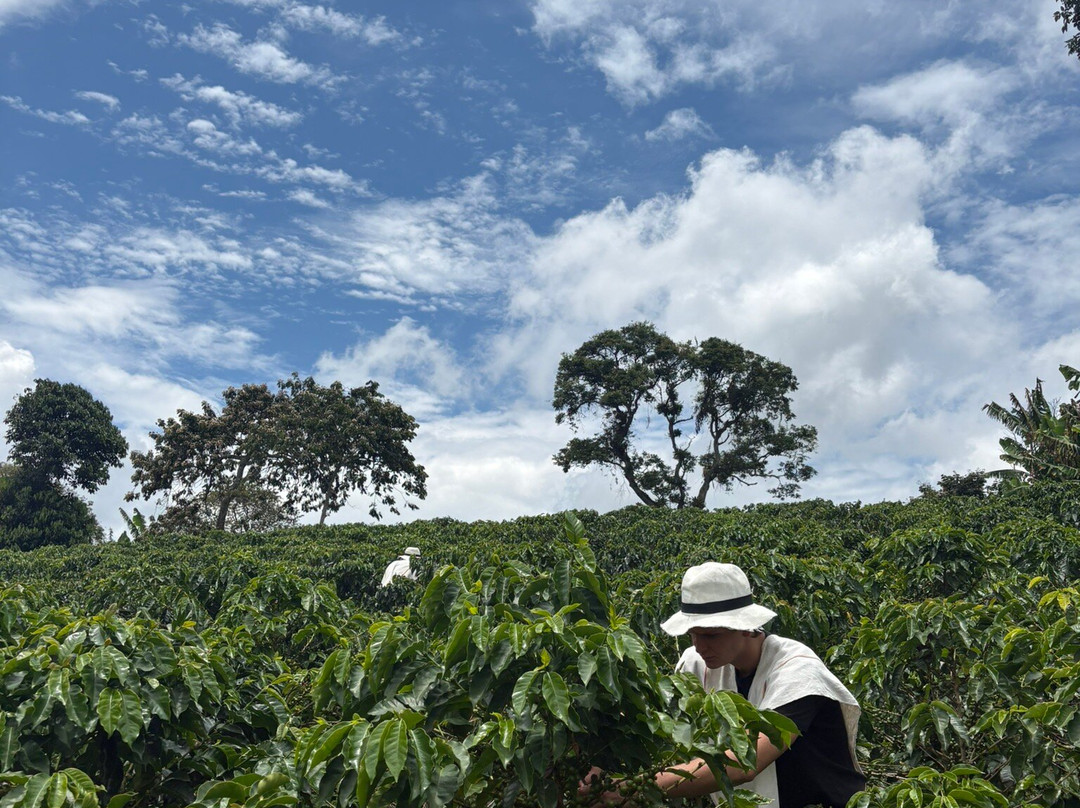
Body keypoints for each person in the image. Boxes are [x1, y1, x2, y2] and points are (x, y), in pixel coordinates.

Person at [583, 562, 864, 808]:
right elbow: (657, 726)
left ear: (746, 626)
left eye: (712, 635)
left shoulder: (798, 672)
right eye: (692, 634)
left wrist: (633, 789)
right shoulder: (695, 664)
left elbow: (746, 762)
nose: (699, 646)